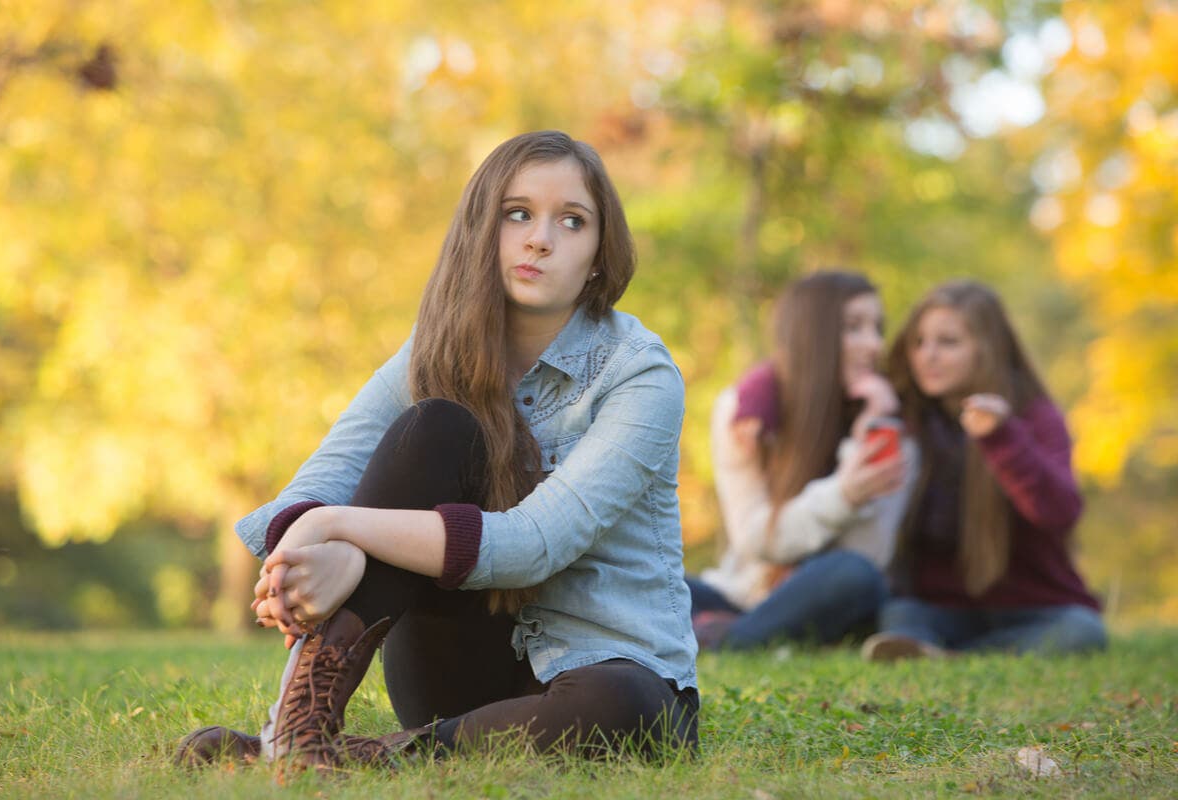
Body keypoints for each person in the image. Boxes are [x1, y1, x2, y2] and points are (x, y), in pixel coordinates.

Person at [175, 131, 698, 772]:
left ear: (597, 255)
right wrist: (309, 555)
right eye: (518, 214)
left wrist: (340, 528)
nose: (541, 238)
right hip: (455, 665)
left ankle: (379, 755)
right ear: (483, 229)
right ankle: (300, 729)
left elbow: (538, 544)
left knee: (628, 706)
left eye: (573, 221)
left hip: (605, 674)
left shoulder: (639, 374)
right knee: (435, 427)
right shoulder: (436, 349)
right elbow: (322, 479)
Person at [862, 280, 1106, 660]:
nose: (928, 356)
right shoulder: (906, 418)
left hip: (1033, 607)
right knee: (900, 613)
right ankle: (936, 650)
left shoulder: (1035, 417)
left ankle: (952, 659)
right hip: (940, 609)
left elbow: (1059, 513)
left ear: (986, 348)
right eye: (919, 342)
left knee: (1082, 631)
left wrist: (1002, 438)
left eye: (948, 342)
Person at [685, 271, 917, 651]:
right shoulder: (744, 414)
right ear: (813, 336)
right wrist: (842, 495)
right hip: (746, 596)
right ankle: (746, 630)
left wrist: (862, 449)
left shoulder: (893, 433)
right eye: (854, 328)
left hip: (830, 597)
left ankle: (730, 642)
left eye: (877, 328)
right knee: (647, 580)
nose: (875, 344)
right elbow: (754, 539)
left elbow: (867, 556)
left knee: (852, 574)